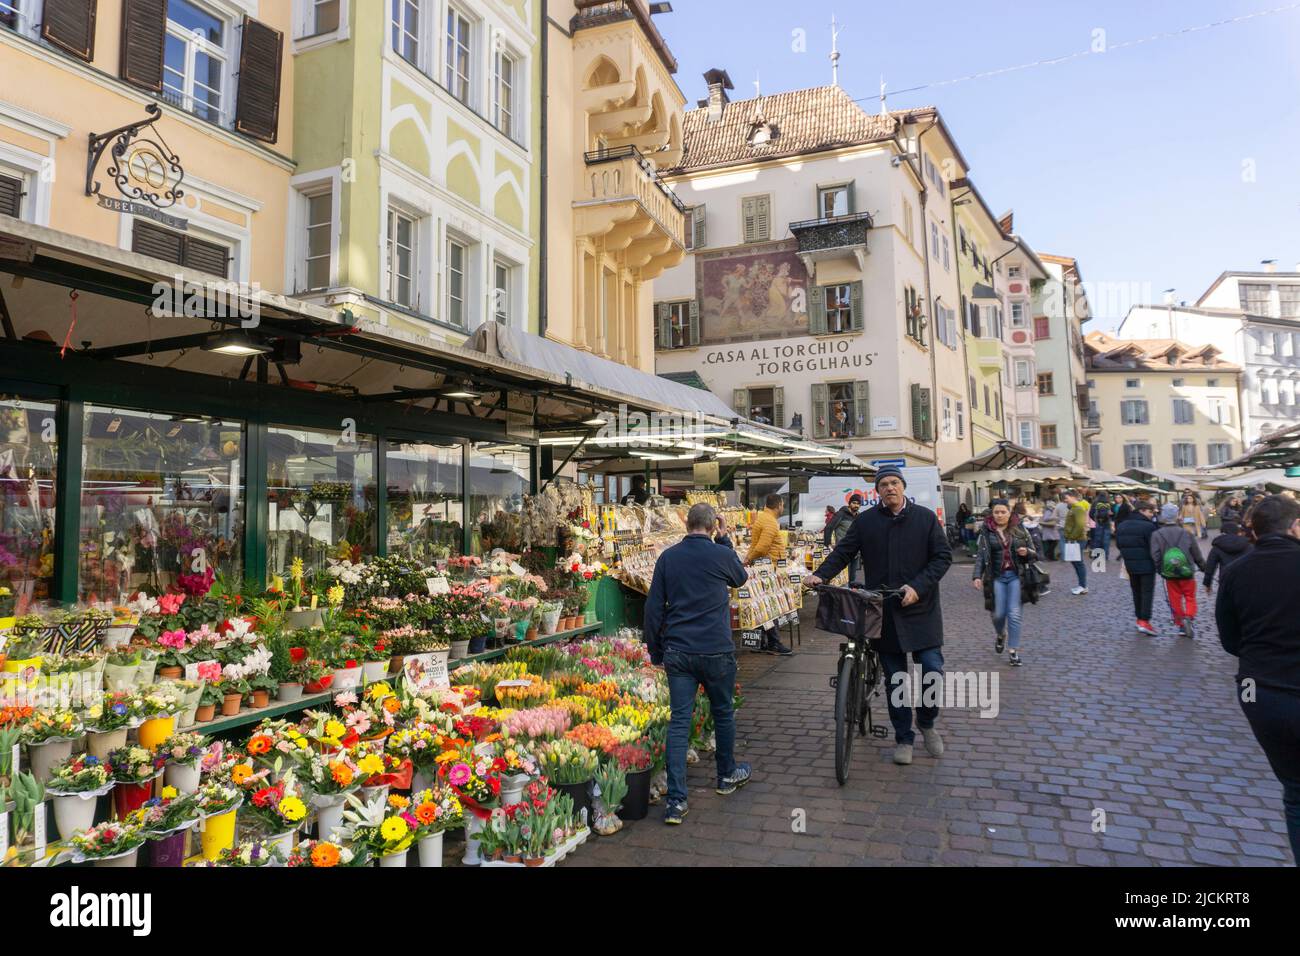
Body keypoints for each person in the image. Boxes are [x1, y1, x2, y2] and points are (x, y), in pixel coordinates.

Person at [803, 466, 953, 766]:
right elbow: (843, 552)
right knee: (896, 679)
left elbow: (942, 557)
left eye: (894, 483)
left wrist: (918, 587)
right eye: (883, 484)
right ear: (878, 491)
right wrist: (820, 575)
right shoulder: (866, 521)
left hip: (920, 607)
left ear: (903, 486)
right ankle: (904, 737)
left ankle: (926, 722)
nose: (889, 488)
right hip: (882, 611)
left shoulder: (924, 518)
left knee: (932, 670)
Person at [644, 503, 752, 825]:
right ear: (711, 525)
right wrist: (725, 540)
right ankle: (726, 775)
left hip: (679, 650)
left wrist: (656, 652)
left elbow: (653, 609)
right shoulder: (720, 555)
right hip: (716, 650)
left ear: (687, 524)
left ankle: (676, 801)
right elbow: (740, 578)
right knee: (722, 712)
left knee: (679, 722)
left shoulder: (668, 558)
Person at [1215, 494, 1300, 864]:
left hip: (1258, 692)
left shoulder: (1236, 570)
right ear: (1294, 527)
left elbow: (1230, 639)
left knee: (1296, 791)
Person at [971, 498, 1037, 667]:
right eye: (996, 512)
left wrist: (1026, 551)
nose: (1000, 515)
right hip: (997, 577)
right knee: (998, 614)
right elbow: (981, 556)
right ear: (992, 514)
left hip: (1016, 576)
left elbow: (1035, 552)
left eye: (1003, 512)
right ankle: (1001, 634)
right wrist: (977, 576)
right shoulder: (987, 531)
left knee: (1014, 614)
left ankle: (1013, 651)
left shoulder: (1020, 528)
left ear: (1009, 513)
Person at [745, 493, 793, 656]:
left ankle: (760, 642)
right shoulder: (770, 522)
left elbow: (758, 545)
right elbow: (762, 547)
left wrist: (749, 558)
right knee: (771, 606)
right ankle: (774, 642)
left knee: (762, 603)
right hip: (768, 569)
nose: (783, 508)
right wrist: (749, 559)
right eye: (782, 505)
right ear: (778, 505)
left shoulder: (762, 518)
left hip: (763, 567)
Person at [1151, 502, 1206, 638]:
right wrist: (1204, 567)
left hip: (1169, 572)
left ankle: (1181, 626)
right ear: (1177, 516)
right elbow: (1196, 553)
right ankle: (1189, 617)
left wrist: (1160, 569)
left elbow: (1155, 555)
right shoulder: (1186, 533)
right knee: (1190, 596)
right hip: (1186, 571)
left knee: (1175, 599)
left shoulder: (1157, 534)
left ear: (1163, 517)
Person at [1116, 499, 1160, 635]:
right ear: (1141, 511)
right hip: (1147, 564)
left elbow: (1119, 544)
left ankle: (1139, 619)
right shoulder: (1149, 527)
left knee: (1136, 592)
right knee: (1147, 592)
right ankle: (1144, 621)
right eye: (1150, 511)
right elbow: (1154, 547)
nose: (1152, 514)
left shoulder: (1122, 525)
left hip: (1130, 563)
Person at [824, 494, 863, 582]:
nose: (856, 505)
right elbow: (829, 528)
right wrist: (828, 544)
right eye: (854, 503)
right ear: (849, 503)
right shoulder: (841, 514)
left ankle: (851, 594)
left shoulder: (859, 516)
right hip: (843, 551)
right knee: (844, 578)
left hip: (856, 552)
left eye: (858, 504)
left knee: (852, 578)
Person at [1203, 520, 1251, 591]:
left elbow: (1210, 566)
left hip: (1226, 580)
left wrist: (1207, 583)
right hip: (1245, 580)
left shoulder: (1218, 545)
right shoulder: (1247, 544)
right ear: (1238, 532)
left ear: (1222, 532)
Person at [1062, 489, 1091, 594]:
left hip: (1077, 539)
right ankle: (1082, 585)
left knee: (1078, 563)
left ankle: (1083, 586)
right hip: (1075, 539)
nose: (1065, 500)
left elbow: (1079, 525)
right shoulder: (1074, 508)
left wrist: (1071, 537)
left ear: (1073, 497)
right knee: (1076, 562)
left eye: (1066, 498)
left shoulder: (1078, 508)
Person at [1089, 491, 1115, 558]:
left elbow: (1091, 514)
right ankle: (1105, 555)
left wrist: (1095, 519)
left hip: (1098, 523)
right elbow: (1113, 514)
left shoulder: (1095, 503)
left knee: (1097, 539)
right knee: (1106, 539)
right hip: (1107, 523)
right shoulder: (1109, 503)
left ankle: (1096, 555)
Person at [1039, 495, 1061, 561]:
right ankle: (1050, 556)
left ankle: (1049, 556)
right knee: (1054, 543)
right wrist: (1055, 517)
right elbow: (1046, 518)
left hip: (1050, 529)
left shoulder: (1049, 510)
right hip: (1049, 528)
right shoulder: (1049, 511)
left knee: (1052, 543)